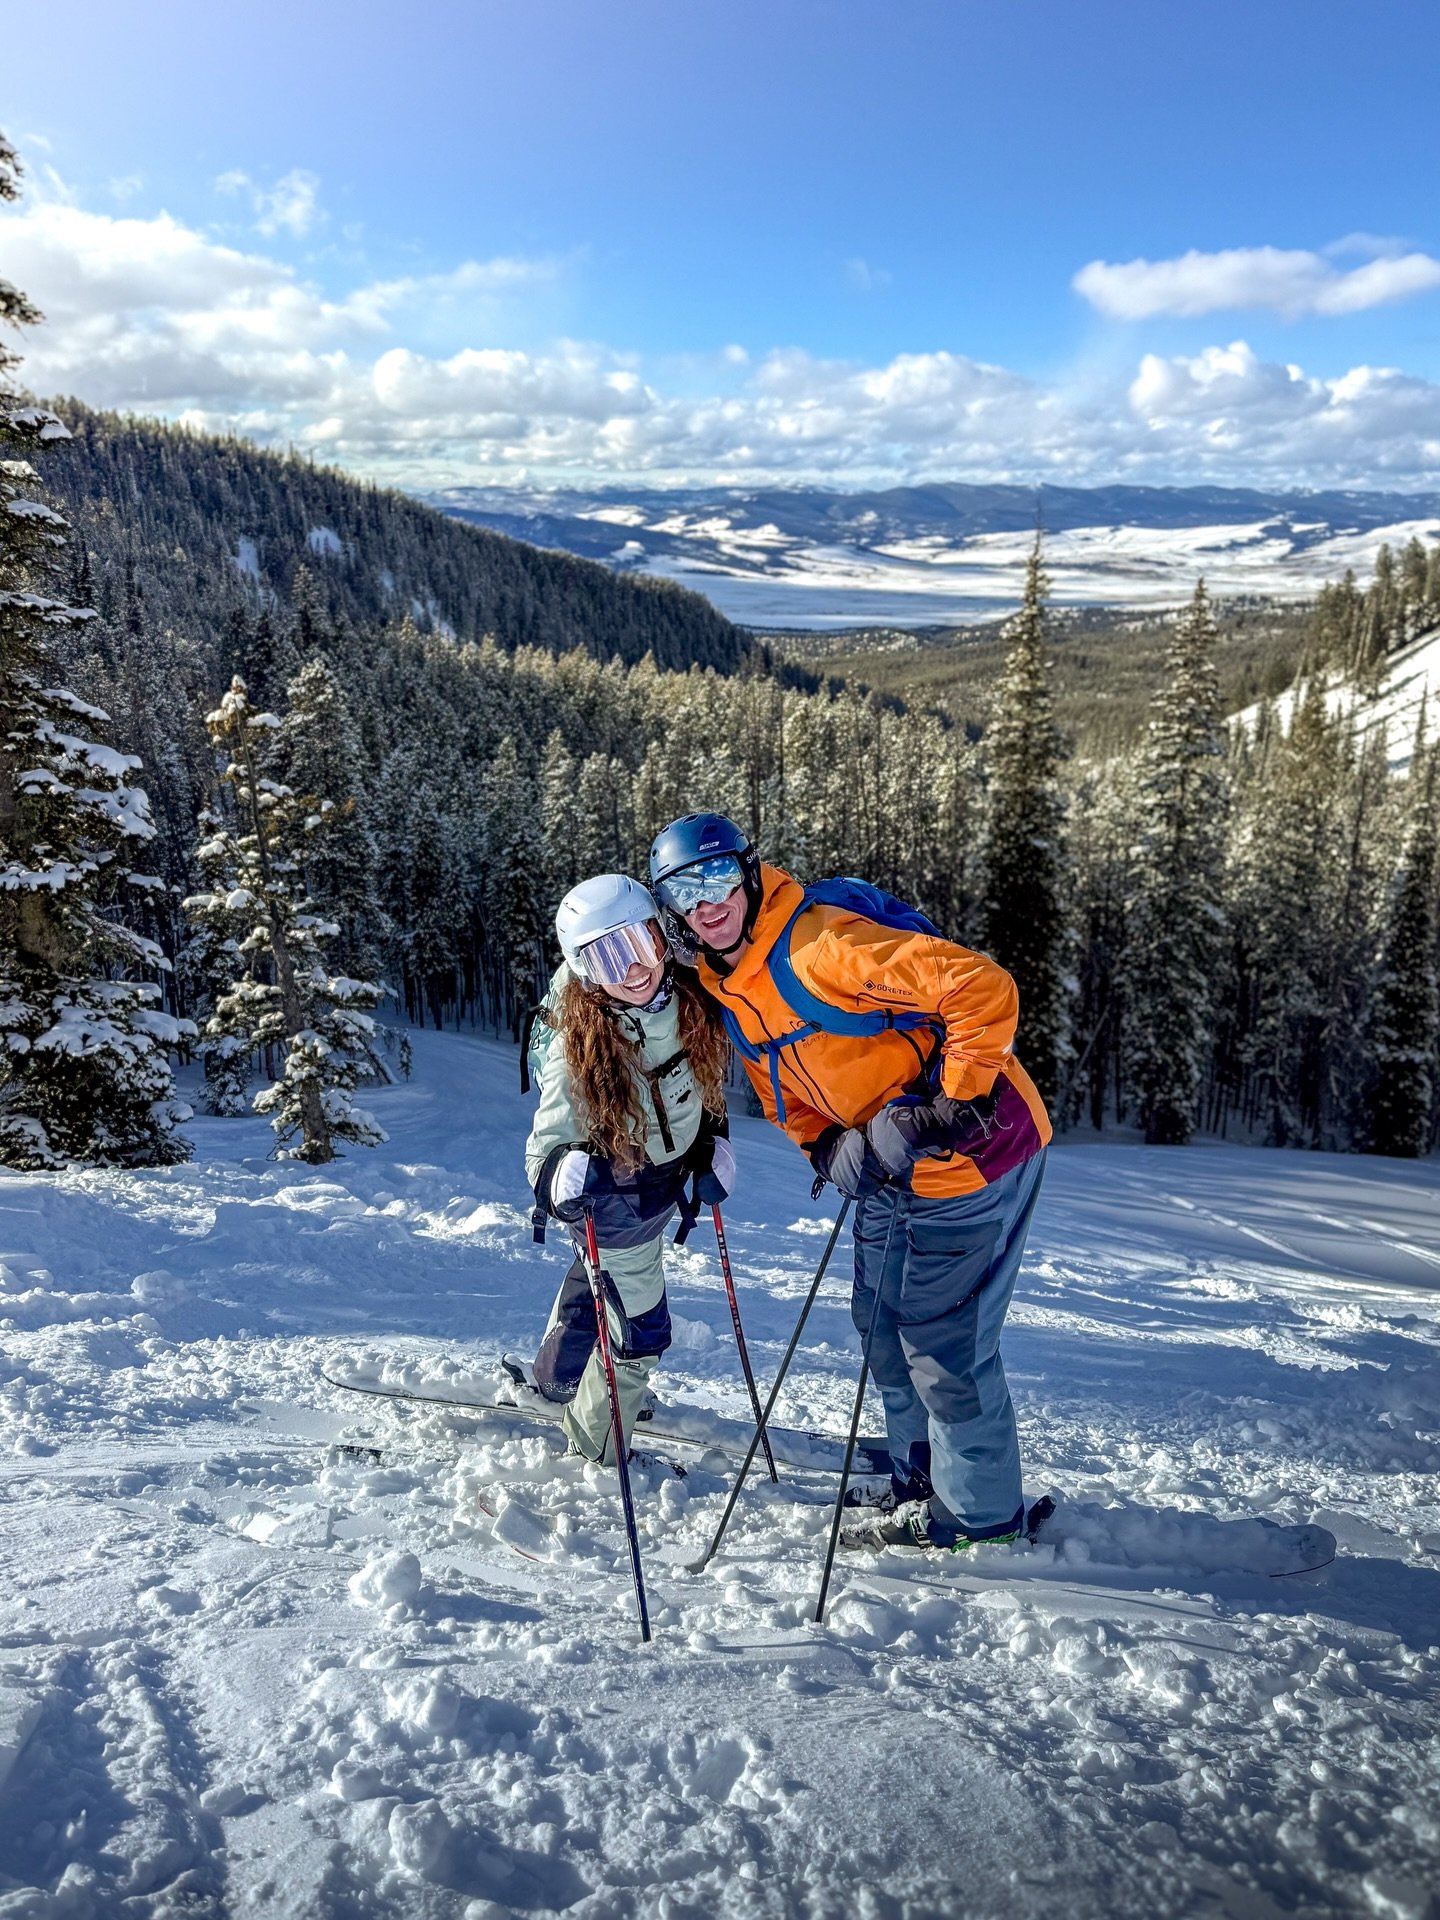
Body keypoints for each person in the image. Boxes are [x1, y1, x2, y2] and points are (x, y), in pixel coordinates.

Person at [649, 813, 1051, 1551]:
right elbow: (781, 1089)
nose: (705, 903)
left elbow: (982, 987)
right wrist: (826, 1143)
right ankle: (918, 1476)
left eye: (715, 877)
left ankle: (980, 1519)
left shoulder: (819, 946)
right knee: (880, 1321)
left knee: (944, 1345)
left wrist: (950, 1106)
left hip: (973, 1160)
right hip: (887, 1170)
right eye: (683, 889)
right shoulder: (731, 979)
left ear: (745, 872)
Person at [518, 873, 734, 1465]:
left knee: (601, 1286)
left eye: (641, 944)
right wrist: (558, 1170)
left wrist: (714, 1143)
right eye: (612, 958)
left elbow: (701, 1088)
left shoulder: (687, 998)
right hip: (610, 1198)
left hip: (660, 1190)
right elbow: (550, 1137)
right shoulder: (581, 1036)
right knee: (640, 1332)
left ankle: (559, 1377)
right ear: (586, 971)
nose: (636, 969)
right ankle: (594, 1449)